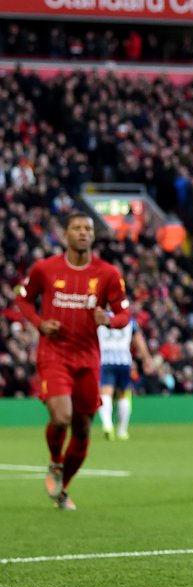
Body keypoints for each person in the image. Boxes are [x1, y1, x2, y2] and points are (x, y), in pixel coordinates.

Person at [14, 211, 130, 510]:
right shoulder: (45, 269)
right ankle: (55, 461)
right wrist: (39, 323)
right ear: (65, 235)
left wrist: (110, 320)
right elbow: (23, 299)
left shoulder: (108, 273)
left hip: (89, 358)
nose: (83, 233)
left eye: (88, 228)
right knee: (62, 417)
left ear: (93, 235)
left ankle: (62, 487)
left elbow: (124, 313)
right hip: (54, 353)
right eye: (76, 228)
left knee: (82, 429)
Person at [97, 317, 154, 440]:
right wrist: (147, 358)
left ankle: (107, 425)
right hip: (124, 360)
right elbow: (139, 339)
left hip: (105, 359)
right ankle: (122, 431)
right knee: (123, 394)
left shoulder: (99, 317)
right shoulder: (129, 319)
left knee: (105, 393)